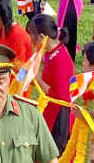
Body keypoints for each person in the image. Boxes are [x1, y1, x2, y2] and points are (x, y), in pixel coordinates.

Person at [28, 14, 73, 153]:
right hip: (51, 108)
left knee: (51, 152)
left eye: (31, 34)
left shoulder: (59, 59)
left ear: (41, 37)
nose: (30, 39)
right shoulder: (51, 52)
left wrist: (37, 79)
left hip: (59, 114)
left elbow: (58, 94)